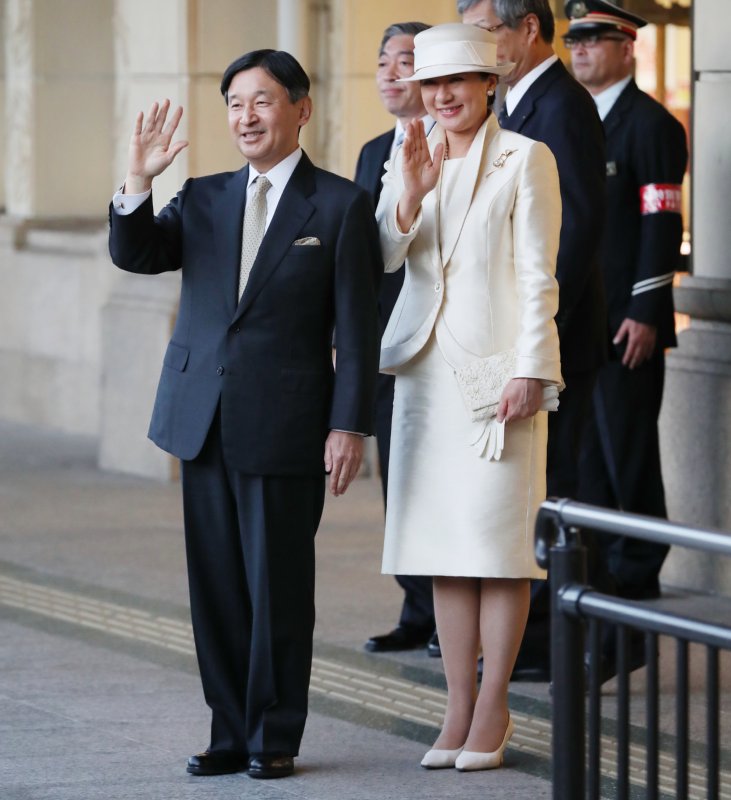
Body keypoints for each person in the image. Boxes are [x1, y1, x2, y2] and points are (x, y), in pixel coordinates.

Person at [108, 50, 381, 780]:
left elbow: (357, 330)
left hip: (287, 423)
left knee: (278, 588)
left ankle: (273, 734)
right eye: (234, 103)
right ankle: (228, 730)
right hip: (200, 421)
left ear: (300, 108)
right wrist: (138, 179)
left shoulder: (340, 205)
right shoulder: (201, 196)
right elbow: (136, 254)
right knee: (218, 588)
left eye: (261, 101)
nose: (246, 116)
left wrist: (349, 424)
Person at [376, 23, 562, 771]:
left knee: (497, 548)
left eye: (459, 81)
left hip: (495, 380)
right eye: (431, 83)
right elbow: (387, 254)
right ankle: (455, 704)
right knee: (442, 549)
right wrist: (412, 193)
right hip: (425, 375)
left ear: (490, 83)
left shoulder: (526, 157)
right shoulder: (407, 152)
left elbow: (538, 273)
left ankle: (493, 706)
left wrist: (531, 369)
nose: (443, 95)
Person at [458, 0, 607, 681]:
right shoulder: (513, 102)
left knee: (563, 490)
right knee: (534, 495)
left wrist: (534, 338)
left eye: (488, 29)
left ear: (527, 28)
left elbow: (571, 234)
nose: (482, 45)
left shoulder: (561, 106)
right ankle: (541, 637)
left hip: (553, 344)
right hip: (522, 340)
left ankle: (583, 641)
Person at [565, 1, 687, 615]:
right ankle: (604, 574)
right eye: (574, 38)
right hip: (586, 326)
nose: (580, 48)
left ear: (627, 47)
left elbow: (661, 224)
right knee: (588, 458)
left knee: (629, 451)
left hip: (629, 327)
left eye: (593, 38)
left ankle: (638, 572)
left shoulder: (651, 124)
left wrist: (645, 310)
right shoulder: (580, 121)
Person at [355, 21, 439, 658]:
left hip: (440, 344)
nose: (389, 72)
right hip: (384, 343)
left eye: (405, 60)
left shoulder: (457, 145)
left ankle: (453, 612)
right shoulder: (369, 150)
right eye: (383, 60)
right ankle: (417, 607)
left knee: (443, 481)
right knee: (400, 479)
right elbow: (357, 257)